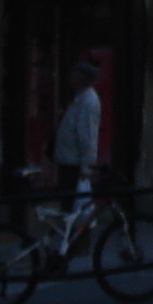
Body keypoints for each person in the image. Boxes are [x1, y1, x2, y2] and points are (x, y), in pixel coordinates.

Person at [53, 60, 104, 207]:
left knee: (73, 203)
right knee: (68, 201)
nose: (71, 77)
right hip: (68, 159)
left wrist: (86, 167)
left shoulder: (88, 101)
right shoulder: (79, 98)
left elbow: (87, 137)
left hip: (74, 162)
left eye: (74, 74)